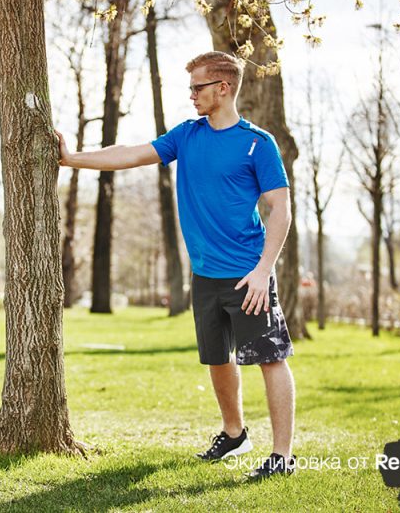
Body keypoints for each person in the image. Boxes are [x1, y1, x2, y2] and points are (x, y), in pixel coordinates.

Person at [56, 51, 296, 480]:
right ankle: (234, 432)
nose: (191, 96)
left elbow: (281, 208)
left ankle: (281, 456)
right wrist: (72, 158)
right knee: (217, 359)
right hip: (204, 275)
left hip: (248, 275)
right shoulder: (187, 135)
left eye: (197, 87)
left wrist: (264, 270)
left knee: (270, 358)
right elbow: (130, 154)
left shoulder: (257, 142)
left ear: (223, 88)